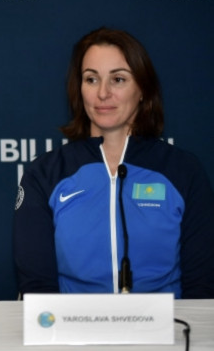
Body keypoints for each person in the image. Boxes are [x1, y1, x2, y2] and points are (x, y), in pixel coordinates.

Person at [14, 27, 214, 298]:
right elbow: (38, 290)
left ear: (142, 89)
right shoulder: (45, 174)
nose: (103, 93)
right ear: (79, 89)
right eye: (91, 79)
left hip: (166, 325)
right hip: (71, 324)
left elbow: (201, 290)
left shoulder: (183, 170)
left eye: (118, 79)